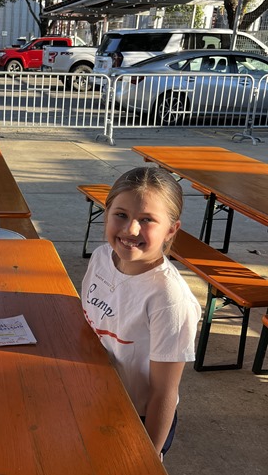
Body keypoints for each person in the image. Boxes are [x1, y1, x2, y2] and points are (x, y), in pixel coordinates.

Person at [81, 166, 201, 458]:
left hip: (137, 416)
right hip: (96, 395)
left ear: (171, 229)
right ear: (106, 214)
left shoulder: (168, 298)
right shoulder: (101, 258)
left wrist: (147, 459)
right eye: (121, 215)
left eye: (147, 219)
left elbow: (163, 392)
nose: (131, 230)